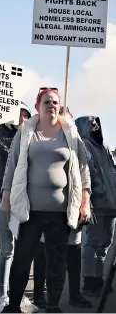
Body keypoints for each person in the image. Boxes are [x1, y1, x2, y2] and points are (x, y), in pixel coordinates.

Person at [0, 88, 92, 313]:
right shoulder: (26, 132)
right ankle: (13, 306)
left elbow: (82, 168)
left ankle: (52, 306)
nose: (51, 105)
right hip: (30, 210)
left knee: (57, 261)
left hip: (60, 210)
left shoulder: (70, 132)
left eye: (55, 102)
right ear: (37, 106)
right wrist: (6, 197)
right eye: (47, 102)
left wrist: (85, 201)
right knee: (22, 257)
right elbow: (11, 166)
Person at [0, 104, 35, 313]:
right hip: (2, 195)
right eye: (19, 114)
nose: (22, 119)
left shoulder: (33, 136)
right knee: (7, 248)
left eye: (26, 115)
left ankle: (17, 293)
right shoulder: (2, 133)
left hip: (26, 198)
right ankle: (3, 296)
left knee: (21, 250)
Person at [75, 116, 116, 297]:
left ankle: (99, 279)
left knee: (105, 244)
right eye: (91, 124)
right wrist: (90, 199)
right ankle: (89, 281)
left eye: (97, 123)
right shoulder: (84, 145)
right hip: (97, 203)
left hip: (111, 203)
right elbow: (86, 173)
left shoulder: (104, 147)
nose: (95, 127)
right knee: (92, 243)